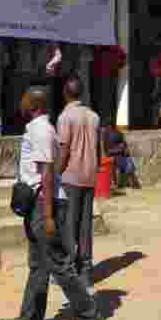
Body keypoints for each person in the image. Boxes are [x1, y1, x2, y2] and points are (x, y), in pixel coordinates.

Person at [0, 88, 66, 320]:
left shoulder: (40, 130)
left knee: (56, 264)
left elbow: (47, 171)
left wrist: (48, 215)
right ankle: (31, 317)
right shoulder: (38, 129)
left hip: (41, 203)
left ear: (33, 103)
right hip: (37, 202)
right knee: (38, 264)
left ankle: (87, 314)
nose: (21, 101)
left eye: (24, 97)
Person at [56, 77, 100, 293]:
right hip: (90, 175)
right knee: (85, 225)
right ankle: (86, 272)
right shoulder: (94, 117)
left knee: (68, 225)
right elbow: (99, 149)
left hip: (71, 176)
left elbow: (63, 149)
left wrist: (56, 172)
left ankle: (69, 269)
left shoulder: (65, 117)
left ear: (65, 93)